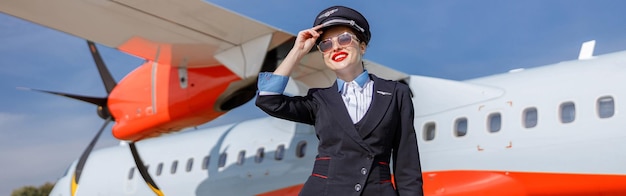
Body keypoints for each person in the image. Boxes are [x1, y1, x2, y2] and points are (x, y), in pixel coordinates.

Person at [255, 5, 423, 196]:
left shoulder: (395, 93)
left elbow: (407, 162)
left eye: (344, 38)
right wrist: (298, 51)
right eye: (326, 44)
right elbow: (268, 99)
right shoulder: (319, 99)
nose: (335, 47)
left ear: (362, 46)